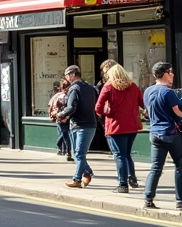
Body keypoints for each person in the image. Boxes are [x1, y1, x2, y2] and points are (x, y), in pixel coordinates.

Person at [96, 63, 144, 194]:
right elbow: (143, 102)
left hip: (115, 126)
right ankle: (132, 178)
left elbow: (98, 108)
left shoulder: (109, 87)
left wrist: (106, 113)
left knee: (119, 155)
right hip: (132, 126)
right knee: (127, 154)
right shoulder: (133, 86)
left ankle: (123, 184)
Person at [141, 61, 182, 210]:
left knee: (156, 168)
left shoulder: (148, 91)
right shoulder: (168, 93)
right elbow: (178, 113)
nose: (172, 75)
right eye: (170, 72)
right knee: (180, 166)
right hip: (170, 133)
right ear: (164, 73)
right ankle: (180, 201)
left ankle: (148, 199)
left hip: (155, 133)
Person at [58, 65, 98, 189]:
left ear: (72, 75)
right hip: (91, 124)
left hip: (79, 125)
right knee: (77, 154)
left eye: (66, 75)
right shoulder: (91, 88)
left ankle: (77, 180)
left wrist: (61, 114)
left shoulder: (74, 89)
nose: (66, 78)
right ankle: (87, 172)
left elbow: (71, 107)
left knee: (79, 154)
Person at [48, 79, 73, 161]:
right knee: (64, 134)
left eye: (68, 87)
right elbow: (55, 108)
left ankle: (66, 151)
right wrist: (60, 116)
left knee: (65, 134)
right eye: (65, 87)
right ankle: (63, 149)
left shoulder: (70, 95)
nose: (66, 89)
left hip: (67, 118)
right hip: (60, 118)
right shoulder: (59, 97)